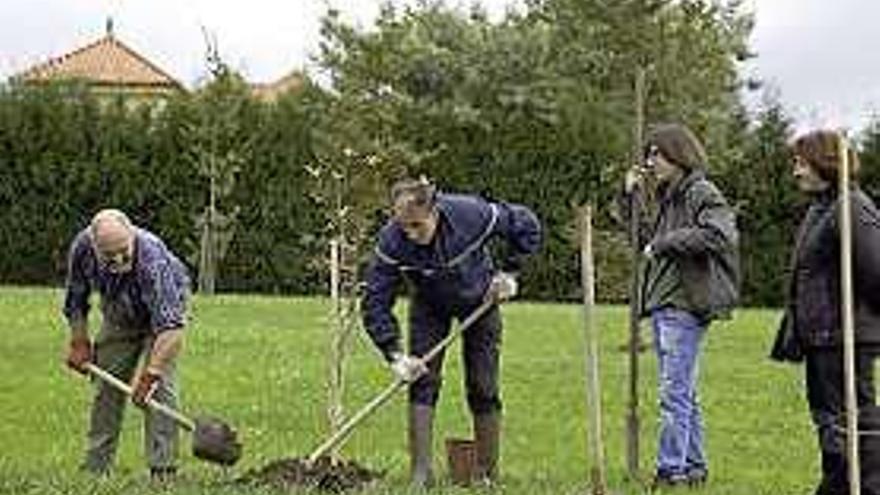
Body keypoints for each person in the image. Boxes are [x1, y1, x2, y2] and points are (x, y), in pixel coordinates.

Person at [362, 177, 541, 487]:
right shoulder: (392, 241)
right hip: (429, 306)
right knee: (422, 381)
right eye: (404, 227)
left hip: (480, 301)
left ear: (434, 212)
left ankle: (485, 473)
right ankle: (421, 473)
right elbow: (376, 299)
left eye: (417, 226)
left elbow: (525, 224)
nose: (411, 234)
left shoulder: (470, 215)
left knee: (483, 385)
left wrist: (510, 272)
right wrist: (394, 354)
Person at [618, 123, 739, 488]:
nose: (650, 160)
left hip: (684, 304)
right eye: (649, 154)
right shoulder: (669, 196)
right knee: (684, 392)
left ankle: (671, 471)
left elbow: (720, 235)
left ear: (678, 154)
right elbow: (642, 240)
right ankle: (694, 465)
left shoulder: (700, 191)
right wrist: (630, 197)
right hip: (663, 304)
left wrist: (667, 242)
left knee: (674, 393)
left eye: (657, 153)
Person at [770, 130, 880, 495]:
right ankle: (839, 486)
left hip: (843, 336)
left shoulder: (851, 208)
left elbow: (877, 272)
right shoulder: (823, 207)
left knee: (851, 426)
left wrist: (861, 325)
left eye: (802, 163)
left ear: (825, 163)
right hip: (823, 337)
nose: (796, 172)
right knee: (832, 426)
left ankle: (862, 486)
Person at [62, 209, 190, 481]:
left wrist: (151, 374)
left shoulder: (152, 258)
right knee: (105, 388)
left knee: (160, 391)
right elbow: (76, 298)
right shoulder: (82, 248)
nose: (119, 260)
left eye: (124, 252)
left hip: (161, 322)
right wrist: (79, 341)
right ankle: (96, 467)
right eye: (110, 256)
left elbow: (171, 327)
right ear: (95, 247)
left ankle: (163, 469)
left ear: (132, 236)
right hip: (119, 313)